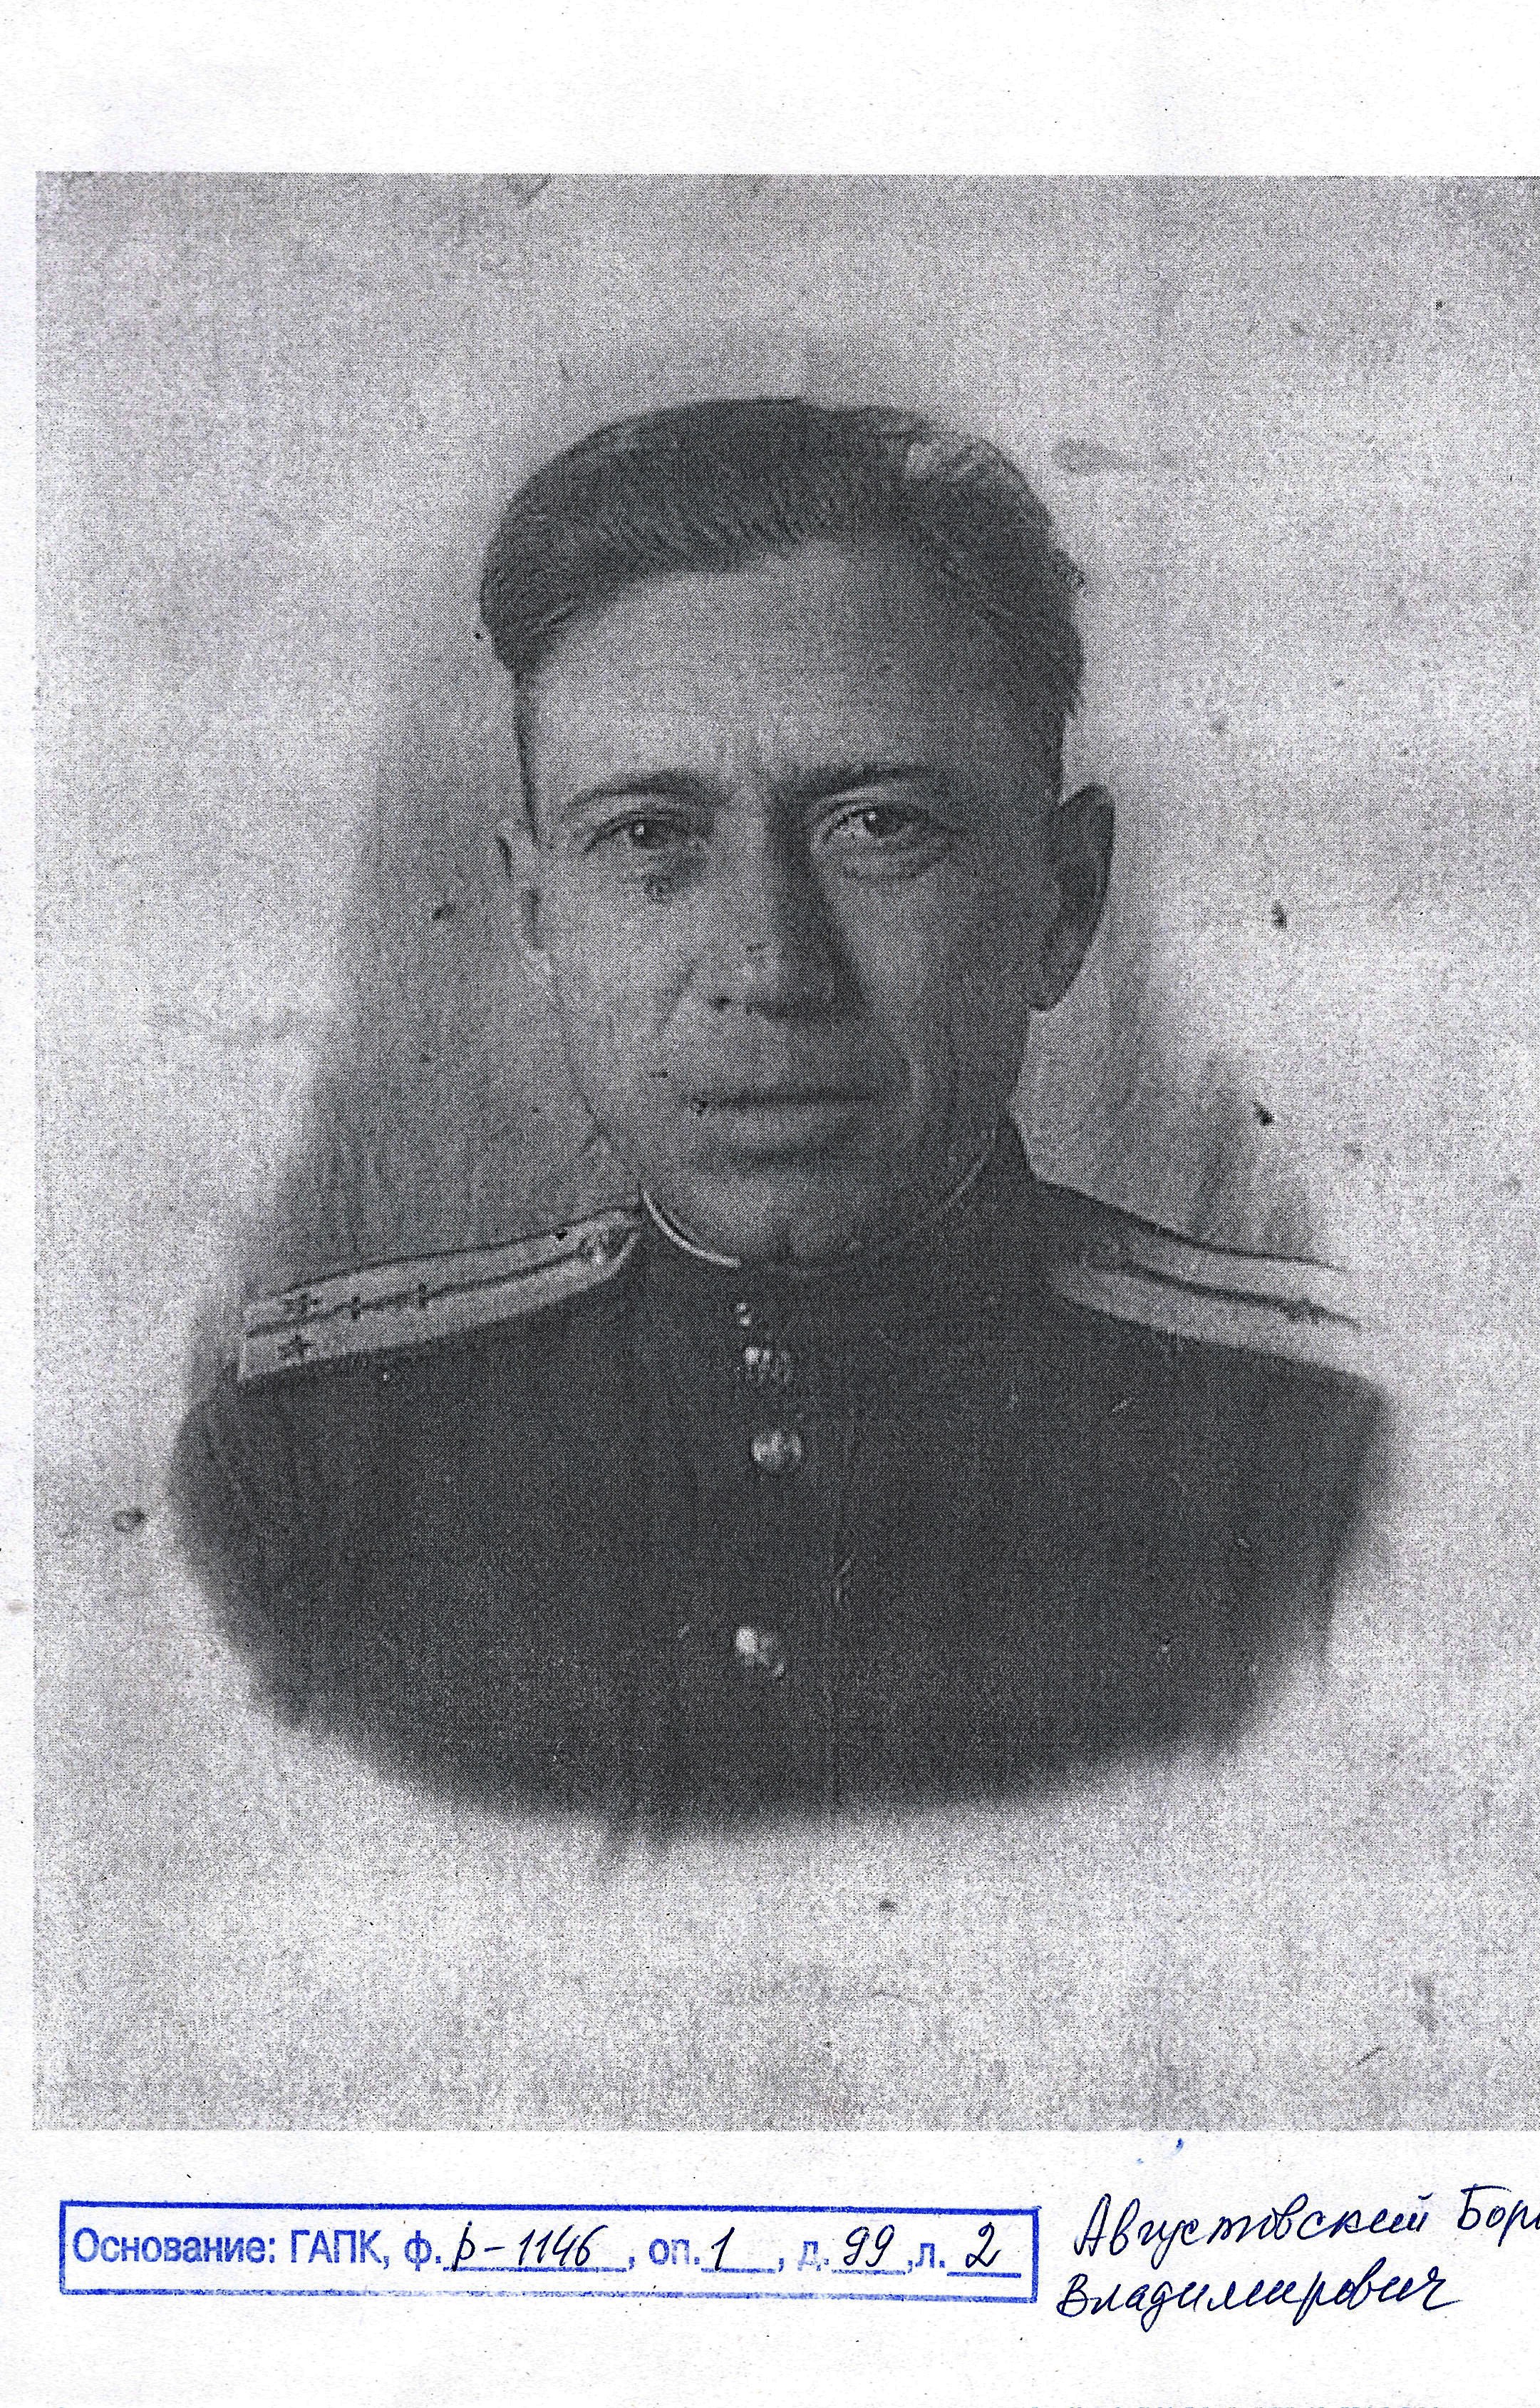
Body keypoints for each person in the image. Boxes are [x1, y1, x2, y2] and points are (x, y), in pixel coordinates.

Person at [172, 398, 1383, 1828]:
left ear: (1062, 901)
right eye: (649, 838)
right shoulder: (303, 1472)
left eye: (879, 825)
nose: (771, 968)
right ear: (537, 912)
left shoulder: (1320, 1464)